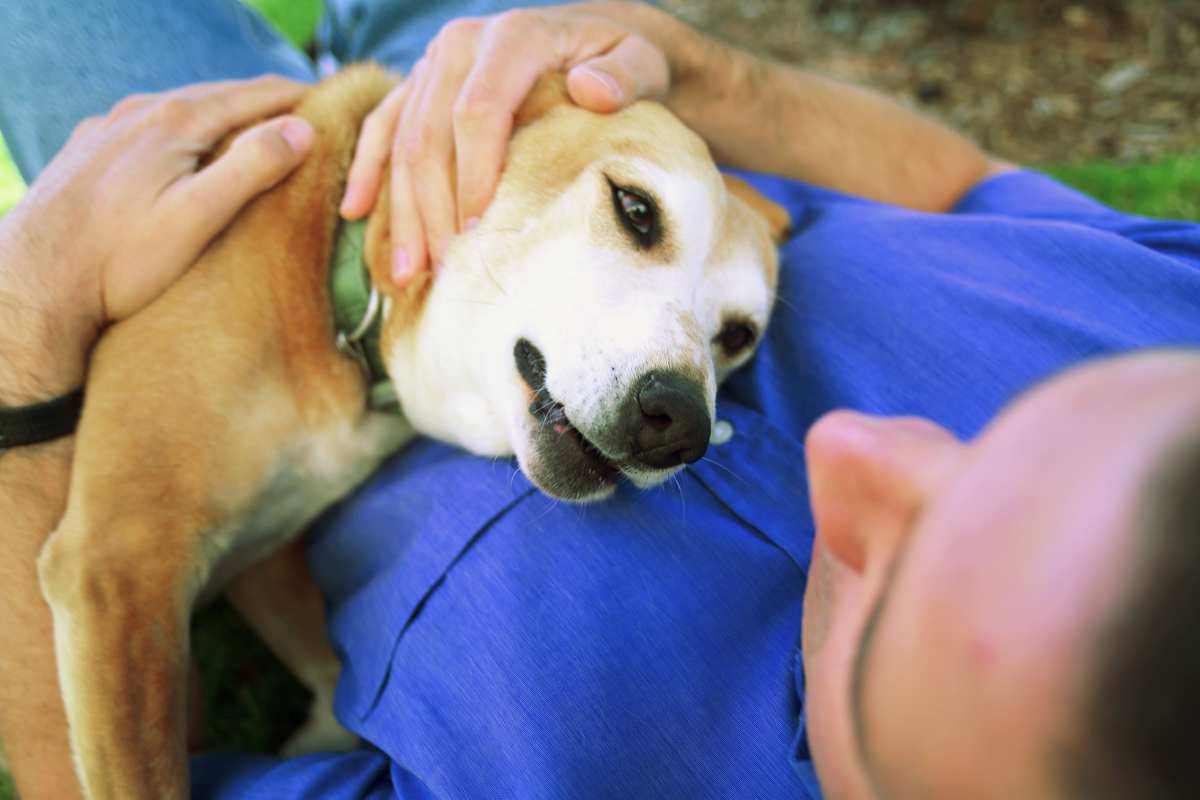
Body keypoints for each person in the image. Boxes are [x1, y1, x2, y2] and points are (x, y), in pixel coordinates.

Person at [0, 2, 1197, 798]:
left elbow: (84, 717)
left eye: (908, 586)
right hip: (573, 104)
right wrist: (679, 64)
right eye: (1000, 437)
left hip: (250, 284)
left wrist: (25, 339)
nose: (857, 445)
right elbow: (969, 181)